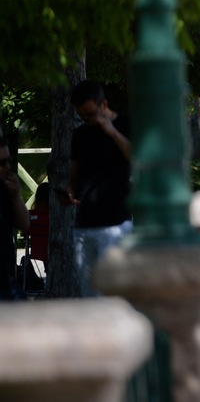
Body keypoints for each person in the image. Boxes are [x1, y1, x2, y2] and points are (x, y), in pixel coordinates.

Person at [67, 80, 133, 297]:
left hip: (114, 224)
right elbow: (74, 174)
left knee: (113, 294)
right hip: (84, 225)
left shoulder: (124, 124)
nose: (88, 121)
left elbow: (138, 160)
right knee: (90, 296)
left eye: (91, 114)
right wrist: (69, 190)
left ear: (103, 104)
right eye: (82, 117)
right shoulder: (80, 135)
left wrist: (111, 131)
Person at [0, 137, 30, 300]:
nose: (8, 168)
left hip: (8, 282)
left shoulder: (5, 187)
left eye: (8, 161)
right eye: (2, 163)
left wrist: (16, 196)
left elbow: (24, 224)